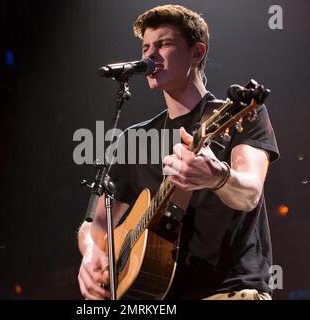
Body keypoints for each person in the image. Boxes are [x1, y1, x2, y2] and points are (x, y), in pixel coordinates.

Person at [77, 4, 279, 300]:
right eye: (146, 46)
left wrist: (217, 177)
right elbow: (94, 226)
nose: (149, 55)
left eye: (164, 44)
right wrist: (91, 255)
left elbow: (250, 193)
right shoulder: (135, 138)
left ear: (197, 53)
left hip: (230, 289)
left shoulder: (237, 114)